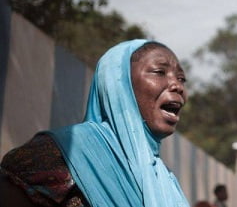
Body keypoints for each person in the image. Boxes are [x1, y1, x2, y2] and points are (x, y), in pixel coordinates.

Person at [0, 40, 189, 207]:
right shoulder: (58, 154)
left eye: (181, 79)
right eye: (159, 72)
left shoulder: (163, 178)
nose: (178, 86)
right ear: (119, 84)